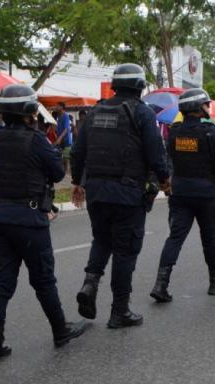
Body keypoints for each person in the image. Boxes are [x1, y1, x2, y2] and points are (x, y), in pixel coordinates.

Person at [0, 84, 89, 361]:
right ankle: (60, 330)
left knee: (1, 283)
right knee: (43, 281)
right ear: (30, 110)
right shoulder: (36, 139)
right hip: (28, 219)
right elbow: (54, 173)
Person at [70, 63, 171, 329]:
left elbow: (77, 152)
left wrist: (77, 182)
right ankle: (120, 311)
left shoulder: (95, 112)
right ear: (139, 86)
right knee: (125, 251)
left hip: (96, 191)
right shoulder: (142, 113)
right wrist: (165, 180)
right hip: (127, 193)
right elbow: (156, 154)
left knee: (102, 240)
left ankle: (90, 283)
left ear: (115, 85)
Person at [149, 88, 215, 301]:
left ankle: (161, 284)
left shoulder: (174, 131)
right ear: (199, 107)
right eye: (206, 105)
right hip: (206, 194)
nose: (207, 109)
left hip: (180, 192)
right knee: (210, 239)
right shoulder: (210, 132)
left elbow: (169, 159)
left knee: (175, 238)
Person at [54, 101, 73, 175]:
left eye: (57, 106)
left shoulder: (65, 115)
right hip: (61, 140)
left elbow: (66, 129)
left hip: (66, 140)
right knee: (61, 157)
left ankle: (67, 174)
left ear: (62, 107)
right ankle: (63, 173)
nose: (56, 107)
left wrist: (59, 138)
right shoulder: (59, 116)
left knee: (66, 158)